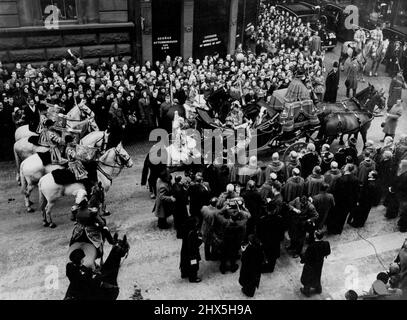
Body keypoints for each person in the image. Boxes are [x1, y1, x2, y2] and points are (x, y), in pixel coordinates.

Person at [257, 182, 285, 272]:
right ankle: (271, 267)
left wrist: (260, 240)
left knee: (266, 254)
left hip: (266, 241)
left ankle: (265, 266)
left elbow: (259, 232)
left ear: (267, 210)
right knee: (273, 256)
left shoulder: (262, 220)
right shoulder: (280, 219)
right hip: (275, 241)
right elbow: (282, 231)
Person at [327, 164, 360, 235]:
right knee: (343, 217)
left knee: (336, 215)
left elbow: (336, 191)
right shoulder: (356, 179)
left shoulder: (340, 179)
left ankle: (333, 229)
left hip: (339, 201)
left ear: (346, 169)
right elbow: (356, 192)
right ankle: (339, 230)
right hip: (349, 202)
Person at [300, 231, 331, 297]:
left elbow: (307, 256)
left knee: (307, 278)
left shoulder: (312, 246)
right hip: (319, 263)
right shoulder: (325, 243)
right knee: (317, 276)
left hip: (310, 265)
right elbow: (328, 252)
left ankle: (306, 291)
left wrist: (302, 259)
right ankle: (318, 289)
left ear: (315, 236)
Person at [180, 217, 203, 283]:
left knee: (185, 262)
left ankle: (184, 273)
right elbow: (195, 244)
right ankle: (193, 278)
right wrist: (200, 239)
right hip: (193, 254)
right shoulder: (192, 233)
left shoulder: (185, 230)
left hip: (185, 251)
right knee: (194, 265)